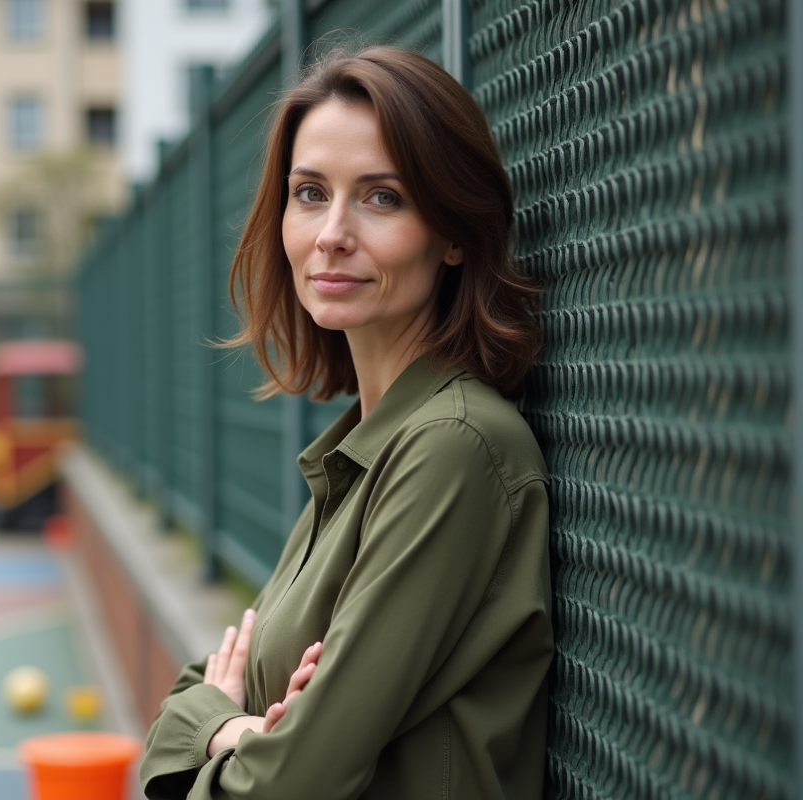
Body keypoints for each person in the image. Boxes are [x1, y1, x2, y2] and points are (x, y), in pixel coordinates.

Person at [140, 47, 552, 799]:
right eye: (309, 193)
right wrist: (236, 727)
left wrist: (226, 729)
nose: (332, 232)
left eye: (382, 197)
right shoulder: (364, 445)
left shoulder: (452, 447)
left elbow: (291, 780)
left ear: (454, 234)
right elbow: (187, 702)